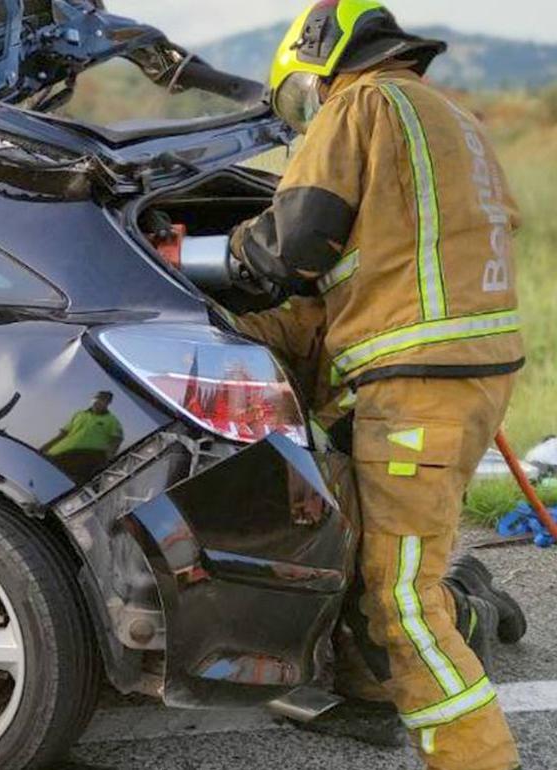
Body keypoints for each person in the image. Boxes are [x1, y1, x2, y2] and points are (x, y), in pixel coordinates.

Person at [230, 3, 526, 768]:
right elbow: (370, 267)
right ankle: (384, 676)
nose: (308, 113)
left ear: (321, 58)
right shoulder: (442, 114)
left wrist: (222, 258)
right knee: (386, 562)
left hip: (416, 383)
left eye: (302, 96)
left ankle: (477, 757)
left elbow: (293, 243)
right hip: (465, 372)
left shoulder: (357, 102)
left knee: (402, 604)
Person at [41, 391, 124, 484]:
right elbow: (62, 434)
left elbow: (117, 440)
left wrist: (108, 458)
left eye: (102, 399)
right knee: (46, 477)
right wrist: (45, 447)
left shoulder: (112, 421)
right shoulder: (79, 414)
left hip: (88, 457)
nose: (98, 401)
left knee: (70, 483)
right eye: (96, 398)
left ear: (108, 403)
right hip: (62, 453)